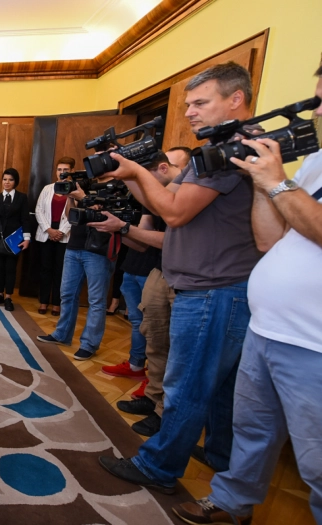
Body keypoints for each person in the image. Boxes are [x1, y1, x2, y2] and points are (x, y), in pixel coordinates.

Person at [97, 62, 263, 494]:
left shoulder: (231, 150)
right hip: (215, 288)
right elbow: (167, 198)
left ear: (236, 99)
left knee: (187, 383)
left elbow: (173, 213)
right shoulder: (217, 147)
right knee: (219, 387)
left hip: (214, 290)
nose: (189, 112)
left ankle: (159, 466)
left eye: (200, 103)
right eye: (188, 104)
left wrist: (138, 173)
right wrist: (131, 175)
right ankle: (219, 454)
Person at [172, 64, 322, 525]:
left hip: (312, 340)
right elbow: (269, 240)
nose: (316, 109)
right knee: (251, 429)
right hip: (267, 327)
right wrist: (262, 182)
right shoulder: (315, 163)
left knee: (317, 462)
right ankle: (233, 502)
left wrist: (277, 182)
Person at [86, 152, 181, 425]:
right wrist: (116, 228)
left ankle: (166, 412)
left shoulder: (186, 195)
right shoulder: (156, 199)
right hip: (160, 271)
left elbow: (171, 240)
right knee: (155, 339)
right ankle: (152, 397)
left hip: (185, 277)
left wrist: (123, 227)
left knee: (178, 350)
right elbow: (142, 241)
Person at [36, 169, 119, 361]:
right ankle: (62, 334)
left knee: (96, 300)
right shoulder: (87, 185)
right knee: (67, 294)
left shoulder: (115, 188)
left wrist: (83, 197)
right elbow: (69, 216)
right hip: (74, 246)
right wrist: (71, 197)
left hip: (98, 249)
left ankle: (89, 344)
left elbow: (105, 216)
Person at [0, 168, 31, 311]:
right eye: (5, 179)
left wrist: (27, 238)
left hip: (14, 240)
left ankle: (8, 297)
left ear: (15, 182)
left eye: (10, 180)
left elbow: (25, 219)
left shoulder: (21, 198)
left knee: (11, 268)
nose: (7, 182)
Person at [34, 157, 74, 315]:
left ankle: (57, 303)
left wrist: (61, 231)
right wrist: (49, 230)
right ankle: (44, 301)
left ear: (71, 171)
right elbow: (38, 210)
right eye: (59, 169)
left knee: (60, 271)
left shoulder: (75, 190)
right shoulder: (47, 188)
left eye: (65, 170)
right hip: (46, 234)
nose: (62, 172)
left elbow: (75, 214)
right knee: (45, 269)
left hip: (64, 235)